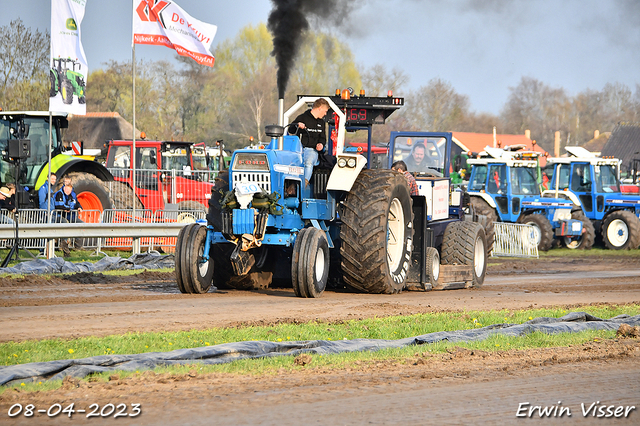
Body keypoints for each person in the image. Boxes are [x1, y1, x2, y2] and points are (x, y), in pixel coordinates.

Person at [288, 98, 330, 185]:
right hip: (299, 149)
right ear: (319, 108)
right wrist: (297, 125)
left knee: (309, 160)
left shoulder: (321, 123)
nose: (325, 114)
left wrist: (321, 145)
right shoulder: (302, 117)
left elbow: (323, 138)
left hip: (312, 150)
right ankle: (291, 185)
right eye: (325, 111)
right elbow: (290, 130)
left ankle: (304, 183)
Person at [54, 178, 84, 254]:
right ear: (64, 187)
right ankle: (63, 246)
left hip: (71, 216)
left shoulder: (72, 195)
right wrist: (66, 208)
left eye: (69, 190)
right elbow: (59, 205)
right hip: (61, 216)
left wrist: (79, 207)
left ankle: (77, 246)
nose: (68, 191)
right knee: (65, 224)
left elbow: (75, 203)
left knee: (82, 224)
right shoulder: (59, 194)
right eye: (66, 189)